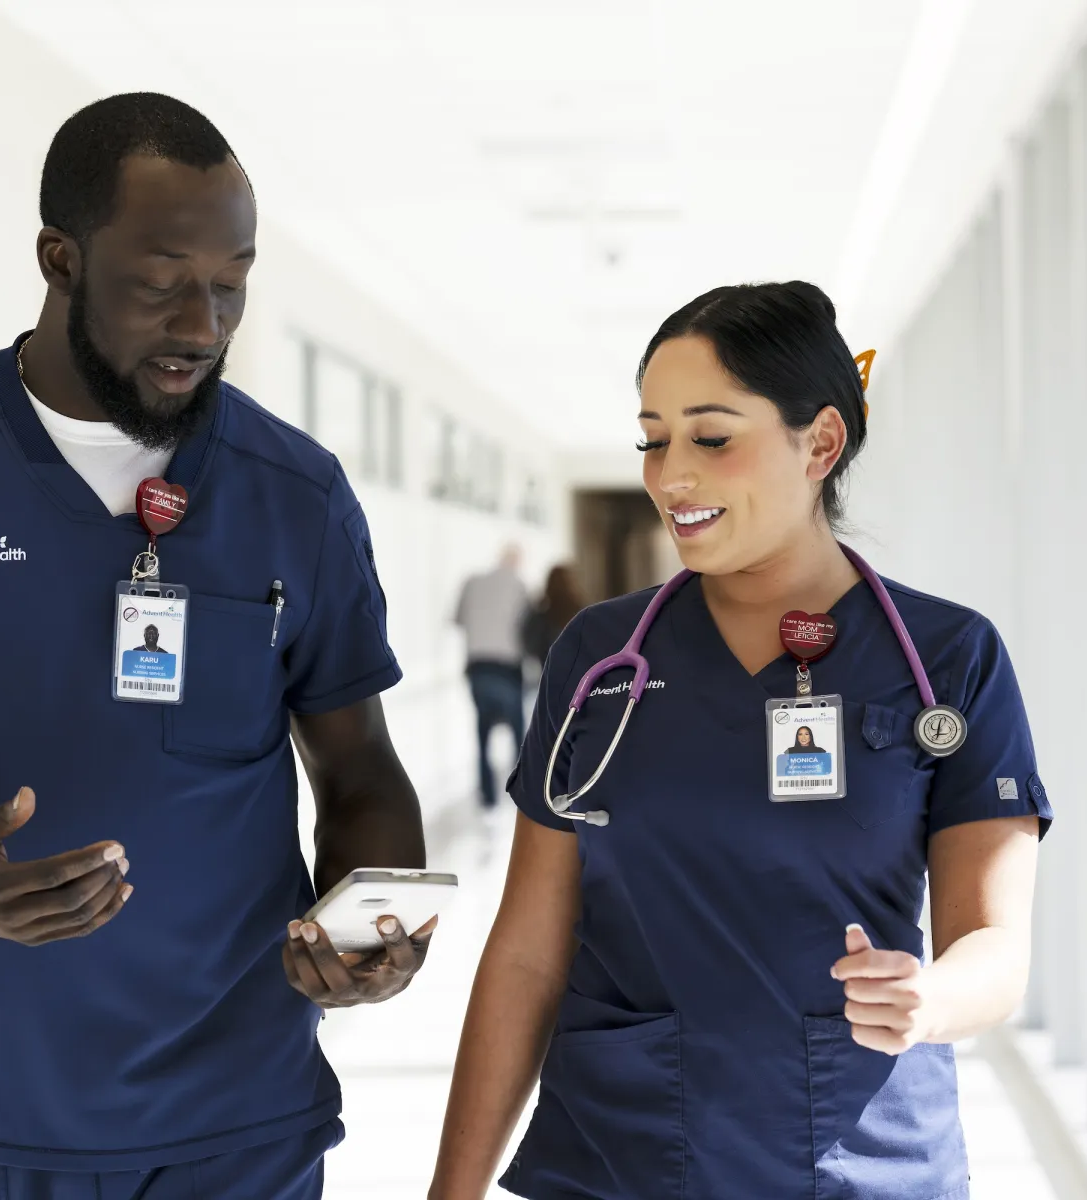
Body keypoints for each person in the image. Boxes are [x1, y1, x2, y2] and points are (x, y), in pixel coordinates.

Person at [0, 93, 435, 1200]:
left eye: (231, 282)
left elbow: (358, 768)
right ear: (59, 258)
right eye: (162, 278)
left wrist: (374, 924)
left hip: (243, 1121)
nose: (204, 323)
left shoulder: (295, 495)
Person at [430, 281, 1050, 1199]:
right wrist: (452, 1192)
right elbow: (527, 952)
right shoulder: (601, 660)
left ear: (822, 443)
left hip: (861, 1163)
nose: (670, 474)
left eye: (711, 438)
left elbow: (994, 948)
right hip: (620, 1158)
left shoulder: (948, 660)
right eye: (652, 439)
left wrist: (929, 1000)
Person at [452, 545, 532, 809]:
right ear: (516, 561)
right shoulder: (518, 585)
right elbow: (528, 627)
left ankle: (488, 797)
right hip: (507, 668)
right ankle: (523, 794)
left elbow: (458, 620)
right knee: (519, 736)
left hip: (478, 667)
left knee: (482, 733)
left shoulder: (472, 581)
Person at [521, 563, 586, 667]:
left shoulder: (541, 614)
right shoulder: (582, 613)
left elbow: (530, 645)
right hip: (578, 671)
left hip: (550, 671)